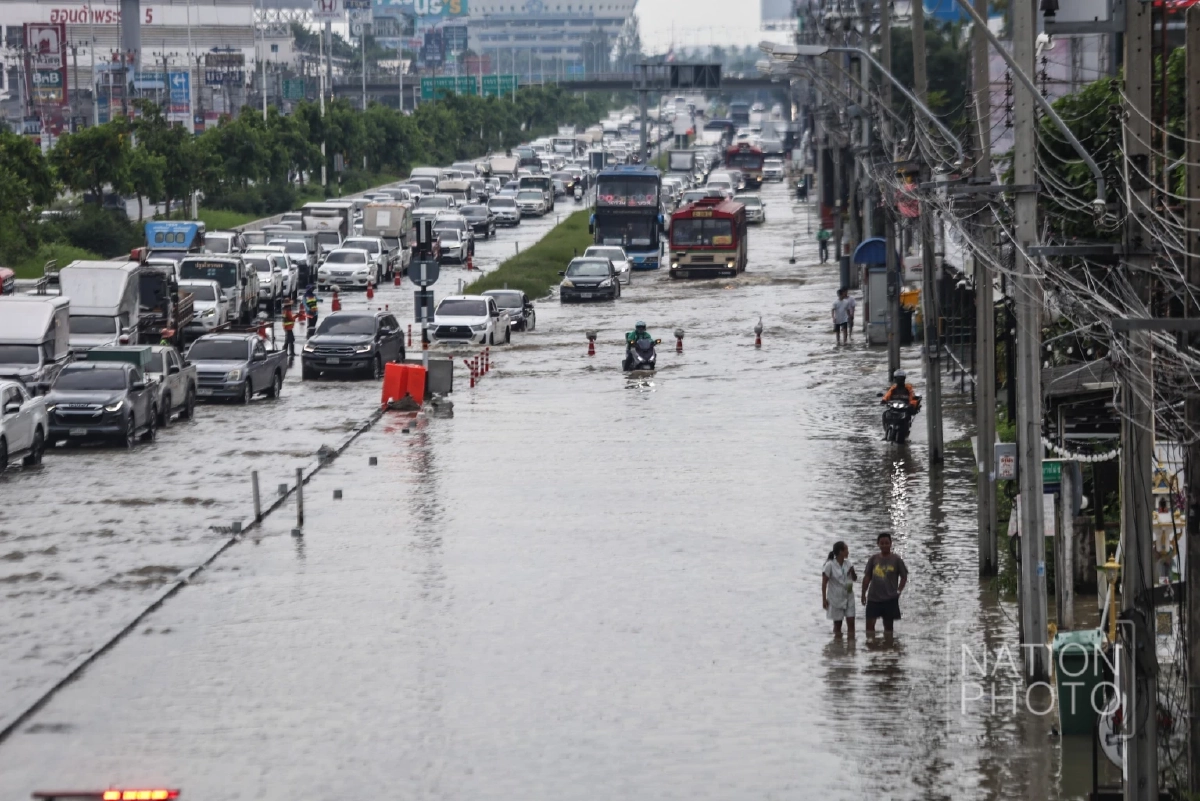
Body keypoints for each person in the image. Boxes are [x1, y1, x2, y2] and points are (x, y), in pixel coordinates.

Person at [861, 532, 909, 634]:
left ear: (891, 543)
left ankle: (888, 644)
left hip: (890, 598)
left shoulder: (896, 560)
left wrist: (899, 591)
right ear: (878, 544)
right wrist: (863, 593)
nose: (884, 545)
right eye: (882, 543)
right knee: (869, 628)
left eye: (887, 543)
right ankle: (871, 643)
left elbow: (904, 577)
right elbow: (867, 577)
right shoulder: (873, 559)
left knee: (888, 628)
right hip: (873, 598)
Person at [822, 541, 857, 636]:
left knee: (851, 622)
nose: (848, 552)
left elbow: (854, 579)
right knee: (838, 625)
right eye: (846, 549)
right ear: (841, 551)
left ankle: (851, 643)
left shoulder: (848, 563)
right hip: (835, 598)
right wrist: (824, 599)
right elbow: (824, 583)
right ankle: (838, 642)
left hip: (849, 595)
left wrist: (852, 572)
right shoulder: (830, 565)